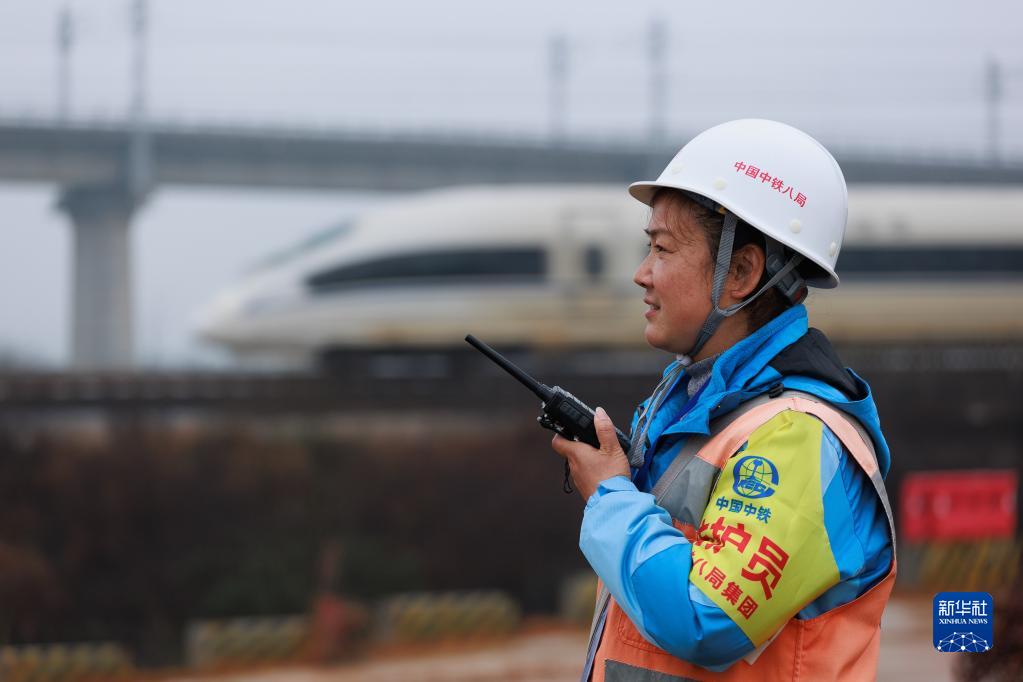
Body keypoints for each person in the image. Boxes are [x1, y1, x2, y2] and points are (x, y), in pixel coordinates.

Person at [551, 119, 895, 681]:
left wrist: (610, 496)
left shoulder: (797, 435)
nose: (641, 274)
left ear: (741, 271)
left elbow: (705, 619)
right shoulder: (696, 406)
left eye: (661, 249)